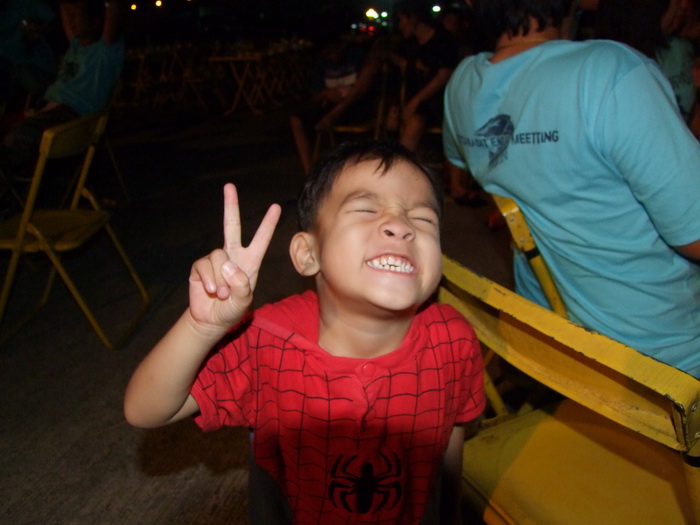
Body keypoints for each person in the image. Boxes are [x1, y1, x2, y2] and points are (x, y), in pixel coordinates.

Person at [124, 140, 485, 524]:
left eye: (423, 220)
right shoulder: (266, 343)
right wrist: (202, 326)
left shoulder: (455, 340)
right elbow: (144, 410)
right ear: (307, 254)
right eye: (366, 209)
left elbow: (452, 434)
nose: (400, 227)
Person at [443, 0, 700, 377]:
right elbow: (694, 236)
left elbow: (462, 170)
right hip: (658, 352)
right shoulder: (608, 72)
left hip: (551, 329)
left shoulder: (463, 83)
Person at [0, 0, 125, 176]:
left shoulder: (104, 52)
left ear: (95, 22)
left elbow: (115, 10)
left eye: (76, 16)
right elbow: (64, 7)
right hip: (48, 109)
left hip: (70, 117)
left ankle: (20, 180)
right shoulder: (76, 45)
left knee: (16, 140)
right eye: (71, 16)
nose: (71, 21)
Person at [289, 32, 379, 175]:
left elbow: (366, 85)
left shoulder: (355, 56)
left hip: (356, 107)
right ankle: (309, 174)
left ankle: (333, 115)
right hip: (330, 107)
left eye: (334, 51)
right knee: (296, 120)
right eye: (328, 54)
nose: (333, 56)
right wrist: (326, 93)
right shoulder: (322, 64)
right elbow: (314, 97)